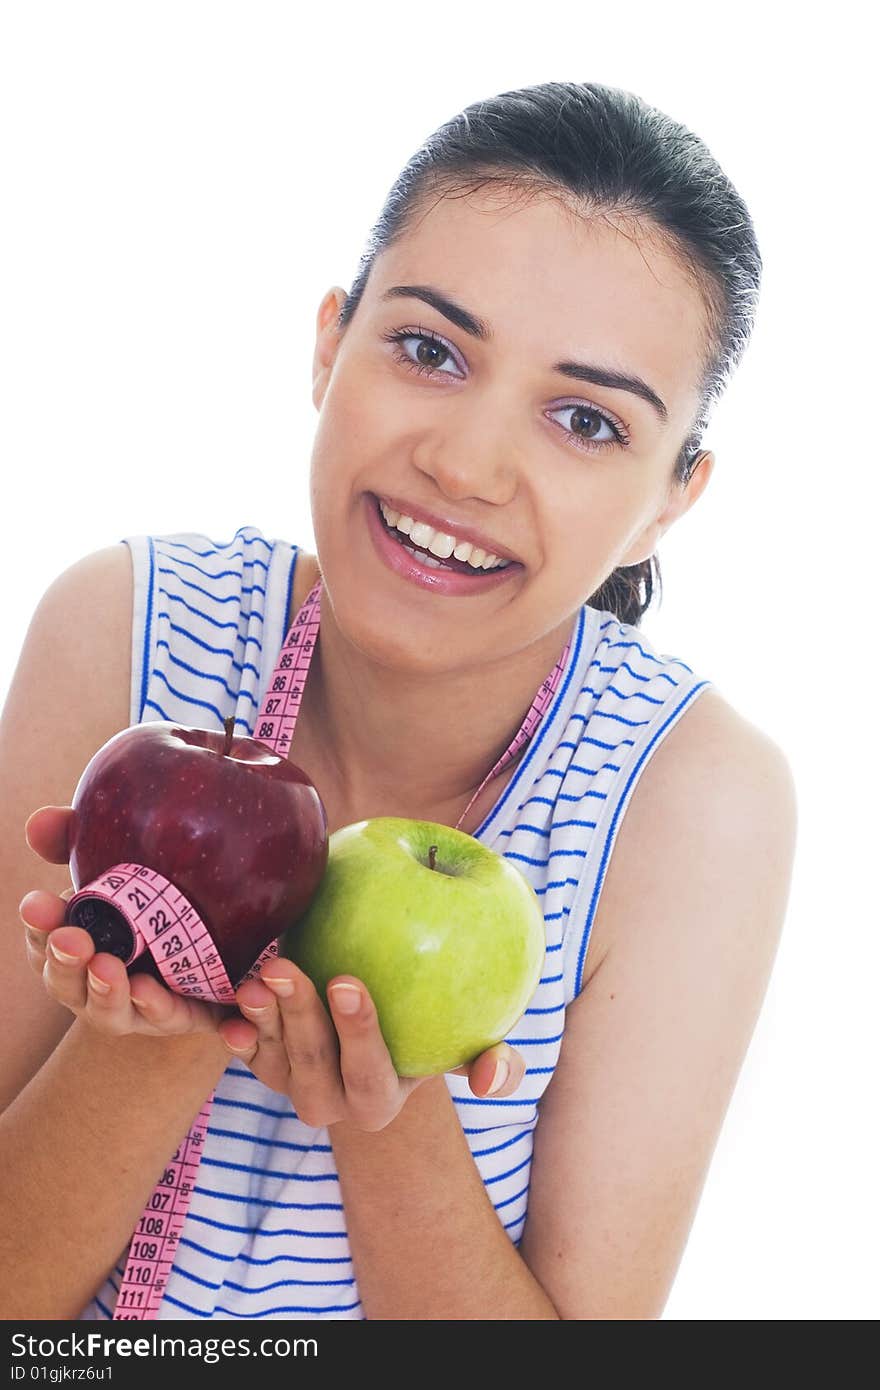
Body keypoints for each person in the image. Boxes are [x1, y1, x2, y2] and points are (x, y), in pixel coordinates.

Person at [0, 80, 797, 1321]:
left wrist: (387, 1107)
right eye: (428, 350)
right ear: (330, 341)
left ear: (667, 500)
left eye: (585, 420)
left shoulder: (688, 803)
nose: (464, 464)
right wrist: (152, 1019)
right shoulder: (126, 631)